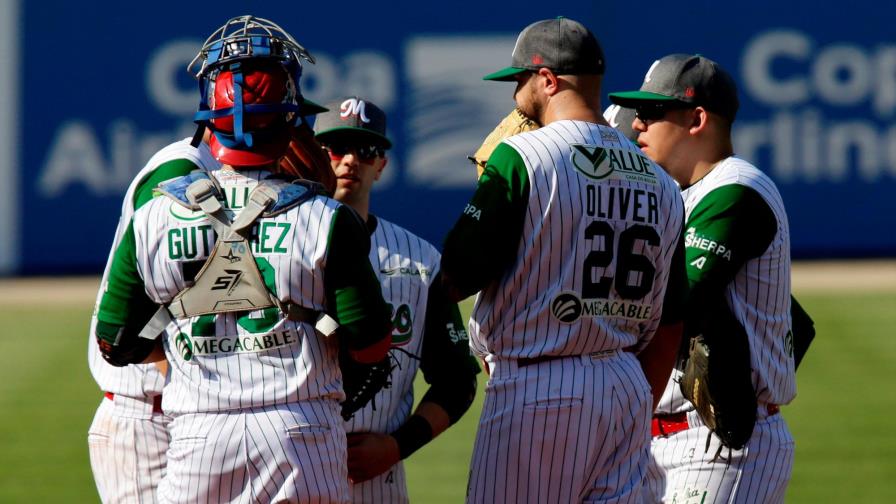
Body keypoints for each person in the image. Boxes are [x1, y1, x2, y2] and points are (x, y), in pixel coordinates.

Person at [94, 15, 392, 503]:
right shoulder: (326, 218)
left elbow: (114, 343)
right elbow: (373, 346)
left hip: (198, 436)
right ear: (291, 117)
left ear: (209, 117)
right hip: (302, 435)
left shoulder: (155, 216)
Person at [439, 17, 687, 503]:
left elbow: (454, 276)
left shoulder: (523, 156)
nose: (515, 95)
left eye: (519, 81)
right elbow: (670, 324)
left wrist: (490, 191)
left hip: (539, 387)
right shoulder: (661, 181)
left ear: (548, 80)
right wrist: (634, 403)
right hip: (625, 383)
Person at [609, 53, 796, 503]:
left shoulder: (737, 190)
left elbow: (673, 302)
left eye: (652, 113)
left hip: (719, 447)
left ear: (696, 119)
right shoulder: (676, 194)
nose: (637, 125)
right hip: (656, 439)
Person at [312, 96, 481, 503]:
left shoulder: (420, 261)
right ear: (315, 157)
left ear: (382, 164)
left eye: (365, 149)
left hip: (378, 484)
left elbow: (457, 381)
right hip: (289, 465)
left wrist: (396, 447)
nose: (350, 160)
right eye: (337, 148)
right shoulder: (275, 244)